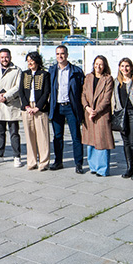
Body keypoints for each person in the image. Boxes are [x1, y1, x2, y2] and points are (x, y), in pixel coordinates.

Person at [48, 45, 86, 173]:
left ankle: (79, 164)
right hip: (57, 107)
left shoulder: (76, 71)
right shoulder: (52, 70)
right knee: (57, 136)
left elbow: (82, 90)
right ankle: (58, 161)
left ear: (67, 55)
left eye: (62, 53)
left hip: (71, 107)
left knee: (76, 136)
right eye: (58, 54)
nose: (60, 56)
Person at [0, 48, 23, 167]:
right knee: (0, 132)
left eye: (6, 57)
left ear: (10, 57)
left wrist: (6, 96)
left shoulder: (17, 70)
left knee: (14, 133)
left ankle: (17, 156)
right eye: (2, 57)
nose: (4, 59)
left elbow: (18, 86)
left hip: (11, 105)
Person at [81, 55, 114, 177]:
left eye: (100, 64)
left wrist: (96, 111)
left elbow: (107, 99)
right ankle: (93, 166)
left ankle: (102, 168)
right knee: (90, 141)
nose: (98, 66)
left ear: (104, 65)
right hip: (88, 113)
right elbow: (83, 94)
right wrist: (87, 108)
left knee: (102, 141)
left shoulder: (108, 79)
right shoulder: (88, 77)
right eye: (96, 64)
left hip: (101, 114)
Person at [19, 51, 51, 171]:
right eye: (28, 61)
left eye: (32, 61)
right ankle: (31, 161)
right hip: (27, 108)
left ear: (37, 61)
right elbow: (21, 91)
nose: (30, 63)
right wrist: (26, 106)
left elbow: (46, 91)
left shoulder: (44, 74)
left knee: (42, 135)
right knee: (29, 135)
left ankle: (44, 162)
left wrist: (38, 107)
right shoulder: (24, 74)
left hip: (40, 108)